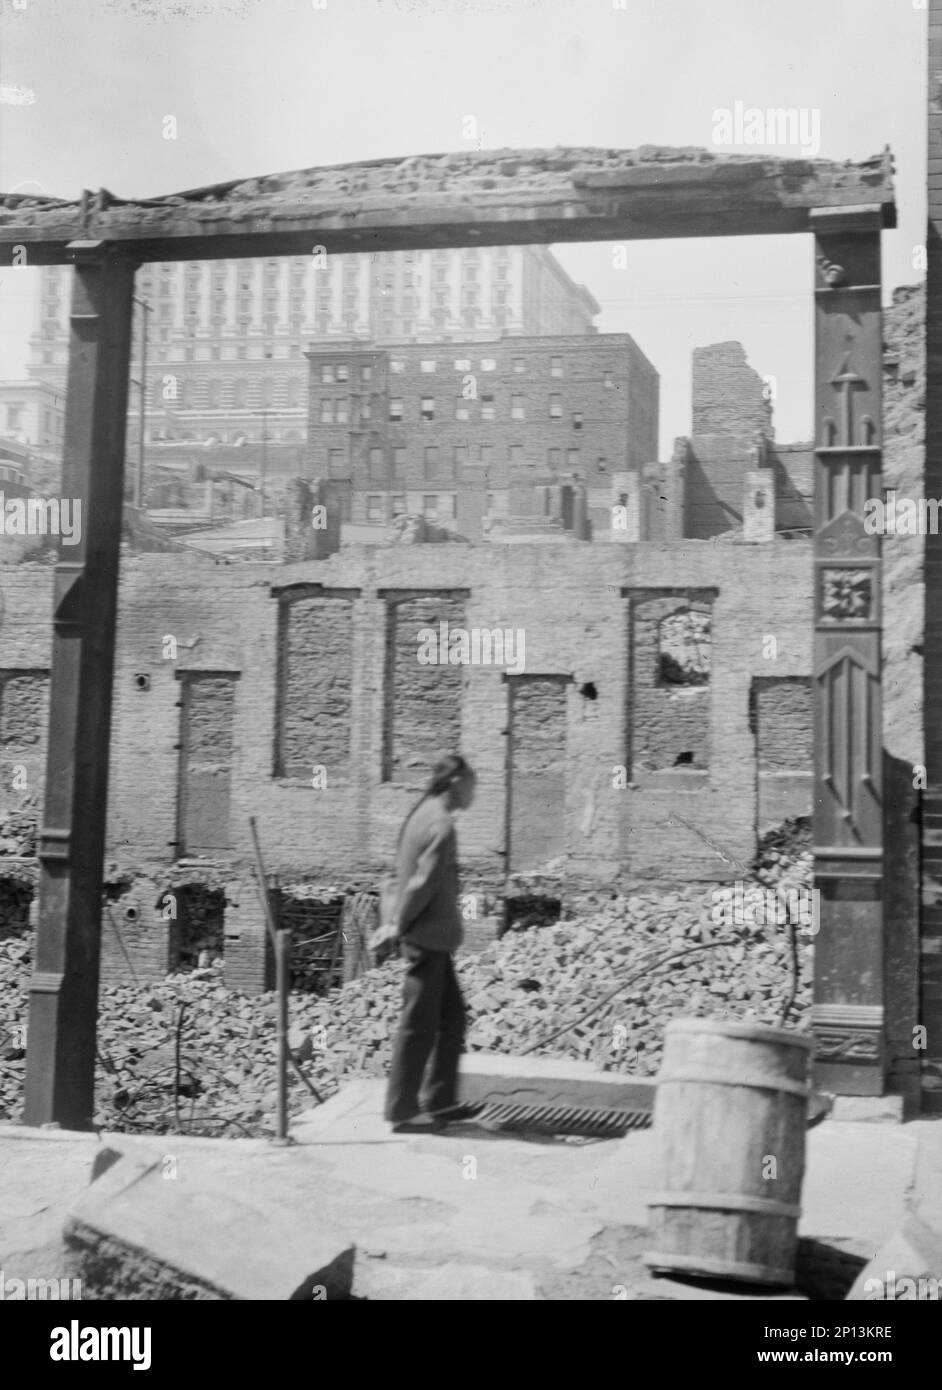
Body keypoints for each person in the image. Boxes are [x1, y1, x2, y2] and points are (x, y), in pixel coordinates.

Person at [384, 753, 476, 1133]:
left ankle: (440, 1101)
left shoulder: (421, 812)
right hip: (426, 938)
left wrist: (394, 920)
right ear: (456, 783)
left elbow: (398, 876)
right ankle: (403, 1112)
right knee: (418, 1025)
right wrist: (398, 925)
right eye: (472, 785)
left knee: (452, 1019)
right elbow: (422, 884)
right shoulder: (440, 823)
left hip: (431, 937)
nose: (473, 794)